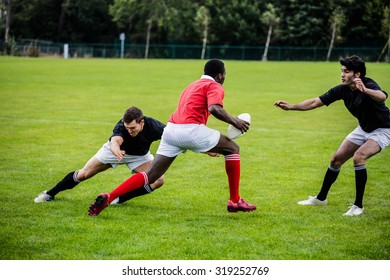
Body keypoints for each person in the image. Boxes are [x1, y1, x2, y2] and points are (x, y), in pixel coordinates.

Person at [88, 59, 257, 216]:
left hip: (170, 131)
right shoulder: (215, 86)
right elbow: (214, 108)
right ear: (220, 75)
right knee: (233, 148)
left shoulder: (191, 85)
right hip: (190, 129)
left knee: (152, 175)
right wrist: (236, 122)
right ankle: (235, 201)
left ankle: (109, 197)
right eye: (224, 75)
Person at [274, 55, 390, 216]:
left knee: (359, 157)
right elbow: (316, 102)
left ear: (357, 74)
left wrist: (365, 90)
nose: (342, 74)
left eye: (346, 71)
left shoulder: (368, 84)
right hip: (363, 128)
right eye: (342, 71)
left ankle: (358, 206)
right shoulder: (342, 89)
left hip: (383, 129)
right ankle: (321, 199)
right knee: (336, 160)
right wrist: (291, 106)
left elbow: (382, 96)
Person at [34, 106, 166, 204]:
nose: (129, 131)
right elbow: (115, 142)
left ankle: (118, 200)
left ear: (141, 123)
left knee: (159, 180)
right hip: (113, 152)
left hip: (139, 156)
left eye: (132, 128)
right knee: (84, 174)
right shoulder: (121, 126)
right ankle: (50, 194)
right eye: (127, 128)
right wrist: (117, 151)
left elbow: (171, 137)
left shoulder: (154, 126)